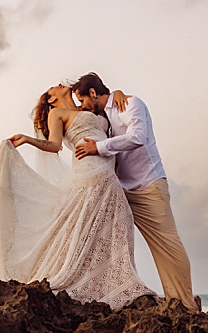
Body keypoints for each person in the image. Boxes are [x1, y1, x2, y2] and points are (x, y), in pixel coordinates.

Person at [0, 82, 155, 310]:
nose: (58, 84)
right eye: (52, 88)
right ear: (52, 100)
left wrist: (121, 93)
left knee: (118, 223)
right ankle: (83, 280)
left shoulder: (89, 108)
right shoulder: (57, 113)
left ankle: (113, 280)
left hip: (109, 175)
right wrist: (27, 139)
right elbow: (54, 145)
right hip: (88, 171)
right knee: (83, 226)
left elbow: (105, 97)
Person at [71, 72, 198, 312]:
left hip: (147, 186)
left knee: (167, 246)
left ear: (93, 93)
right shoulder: (103, 117)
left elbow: (137, 137)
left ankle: (184, 305)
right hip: (119, 190)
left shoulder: (130, 104)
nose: (81, 106)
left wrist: (98, 147)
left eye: (83, 100)